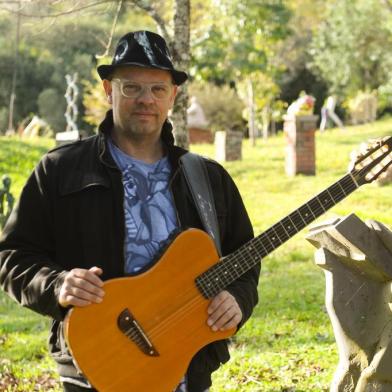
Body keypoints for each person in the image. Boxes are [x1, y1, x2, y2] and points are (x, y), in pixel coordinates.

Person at [0, 30, 260, 392]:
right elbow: (12, 257)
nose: (146, 100)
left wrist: (238, 299)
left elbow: (244, 259)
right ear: (109, 90)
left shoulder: (207, 178)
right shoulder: (61, 170)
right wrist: (57, 284)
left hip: (185, 371)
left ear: (174, 95)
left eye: (157, 89)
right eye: (131, 87)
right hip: (95, 368)